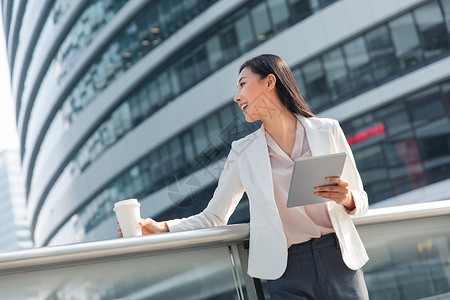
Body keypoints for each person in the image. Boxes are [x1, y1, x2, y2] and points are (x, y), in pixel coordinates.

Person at [118, 54, 369, 299]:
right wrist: (162, 228)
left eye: (242, 84)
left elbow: (361, 201)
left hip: (339, 260)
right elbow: (214, 217)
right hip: (287, 270)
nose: (237, 97)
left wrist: (347, 198)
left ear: (270, 82)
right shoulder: (243, 152)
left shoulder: (327, 131)